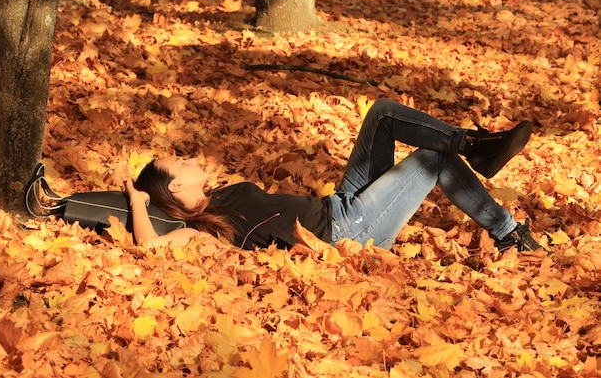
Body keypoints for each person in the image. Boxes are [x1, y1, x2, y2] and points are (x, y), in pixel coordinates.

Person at [125, 98, 544, 253]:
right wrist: (136, 200)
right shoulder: (204, 231)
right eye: (178, 162)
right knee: (431, 161)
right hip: (347, 229)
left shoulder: (221, 198)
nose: (187, 158)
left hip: (341, 205)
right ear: (175, 187)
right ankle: (509, 233)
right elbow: (149, 247)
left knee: (381, 113)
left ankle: (475, 145)